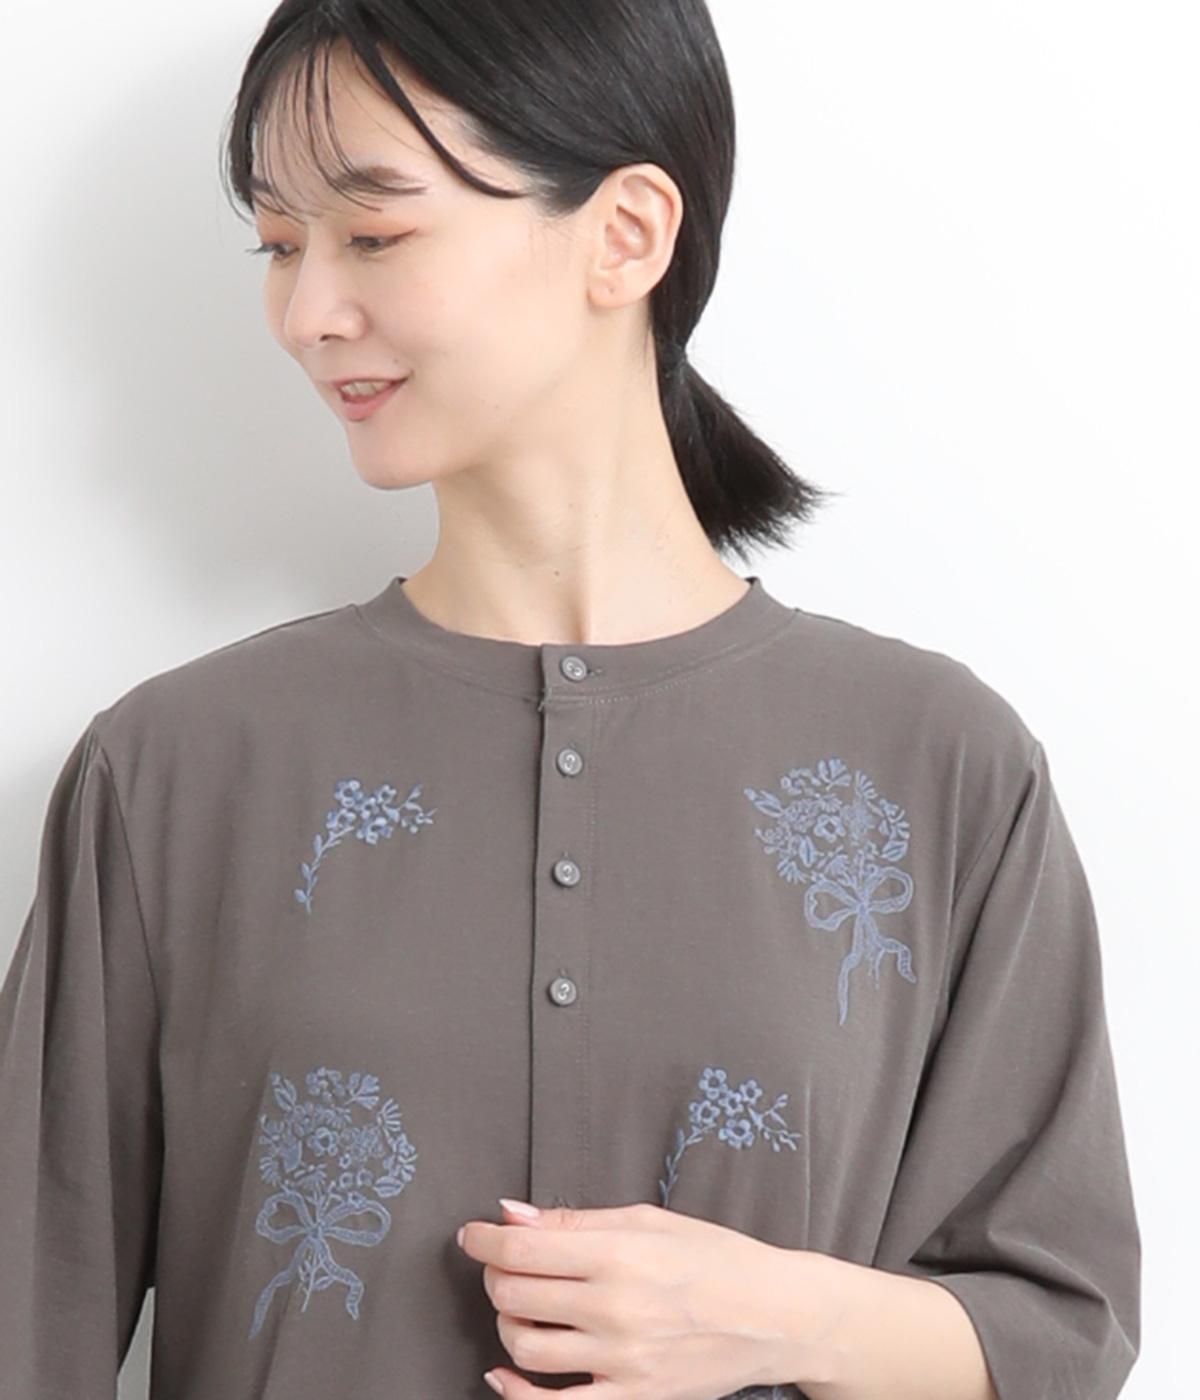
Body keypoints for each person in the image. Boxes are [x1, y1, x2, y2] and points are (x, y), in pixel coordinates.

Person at [0, 3, 1140, 1398]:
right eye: (280, 247)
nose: (306, 316)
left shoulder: (939, 763)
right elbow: (27, 1315)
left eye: (375, 233)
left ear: (626, 235)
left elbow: (1061, 1328)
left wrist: (780, 1316)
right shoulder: (177, 770)